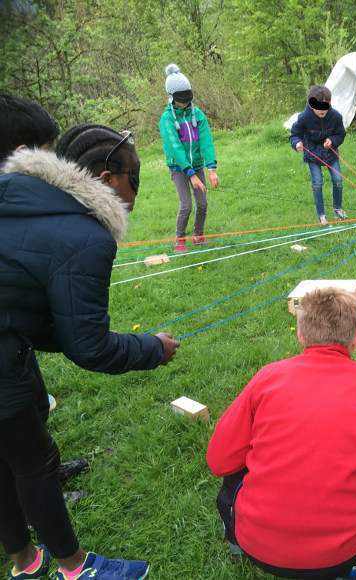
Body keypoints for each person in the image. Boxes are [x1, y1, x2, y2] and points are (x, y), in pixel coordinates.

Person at [0, 104, 180, 580]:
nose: (137, 186)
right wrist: (152, 349)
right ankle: (76, 570)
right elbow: (91, 348)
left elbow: (30, 307)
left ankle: (25, 560)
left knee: (11, 448)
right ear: (108, 177)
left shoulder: (19, 194)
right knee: (33, 461)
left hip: (7, 341)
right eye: (134, 176)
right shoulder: (85, 237)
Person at [207, 287, 356, 580]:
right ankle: (352, 566)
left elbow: (219, 461)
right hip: (338, 556)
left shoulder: (268, 377)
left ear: (300, 336)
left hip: (258, 548)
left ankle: (235, 541)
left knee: (235, 471)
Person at [0, 94, 90, 510]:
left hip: (14, 334)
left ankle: (46, 471)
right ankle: (36, 491)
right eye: (50, 155)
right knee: (19, 437)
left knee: (36, 396)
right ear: (24, 154)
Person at [159, 64, 219, 252]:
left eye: (188, 97)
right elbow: (175, 148)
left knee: (202, 203)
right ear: (171, 98)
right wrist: (190, 173)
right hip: (179, 169)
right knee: (186, 205)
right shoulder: (166, 119)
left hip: (198, 166)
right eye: (181, 99)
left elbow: (206, 142)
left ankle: (198, 238)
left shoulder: (198, 115)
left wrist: (211, 169)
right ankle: (180, 241)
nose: (185, 102)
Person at [290, 85, 347, 226]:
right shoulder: (303, 118)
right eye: (318, 106)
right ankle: (322, 215)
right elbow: (295, 135)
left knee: (338, 181)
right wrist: (297, 143)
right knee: (317, 183)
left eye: (325, 105)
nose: (322, 109)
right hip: (312, 153)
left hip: (329, 152)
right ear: (311, 104)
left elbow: (340, 134)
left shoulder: (335, 116)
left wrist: (332, 141)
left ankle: (337, 209)